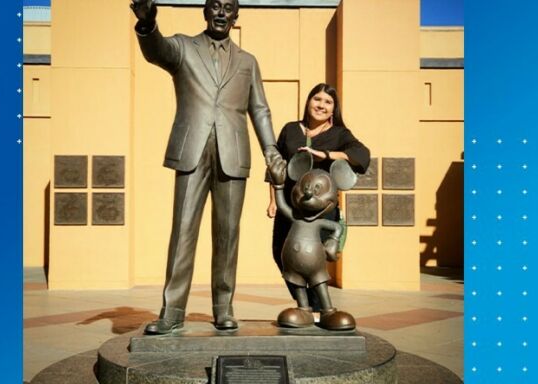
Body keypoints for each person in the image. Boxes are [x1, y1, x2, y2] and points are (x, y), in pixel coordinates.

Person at [131, 0, 283, 334]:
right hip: (192, 151)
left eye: (228, 7)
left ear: (235, 15)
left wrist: (271, 151)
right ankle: (172, 311)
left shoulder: (248, 62)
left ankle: (223, 308)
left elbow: (260, 109)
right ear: (205, 11)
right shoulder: (184, 47)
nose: (221, 12)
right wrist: (148, 25)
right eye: (215, 5)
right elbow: (157, 51)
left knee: (228, 234)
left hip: (234, 153)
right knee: (183, 230)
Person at [266, 83, 370, 311]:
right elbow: (276, 166)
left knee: (314, 260)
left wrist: (325, 154)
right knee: (280, 253)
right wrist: (274, 200)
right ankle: (304, 304)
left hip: (322, 210)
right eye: (317, 99)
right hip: (291, 207)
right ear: (308, 102)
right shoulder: (291, 129)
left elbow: (362, 155)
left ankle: (315, 309)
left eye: (327, 102)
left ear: (333, 110)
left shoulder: (340, 134)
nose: (321, 105)